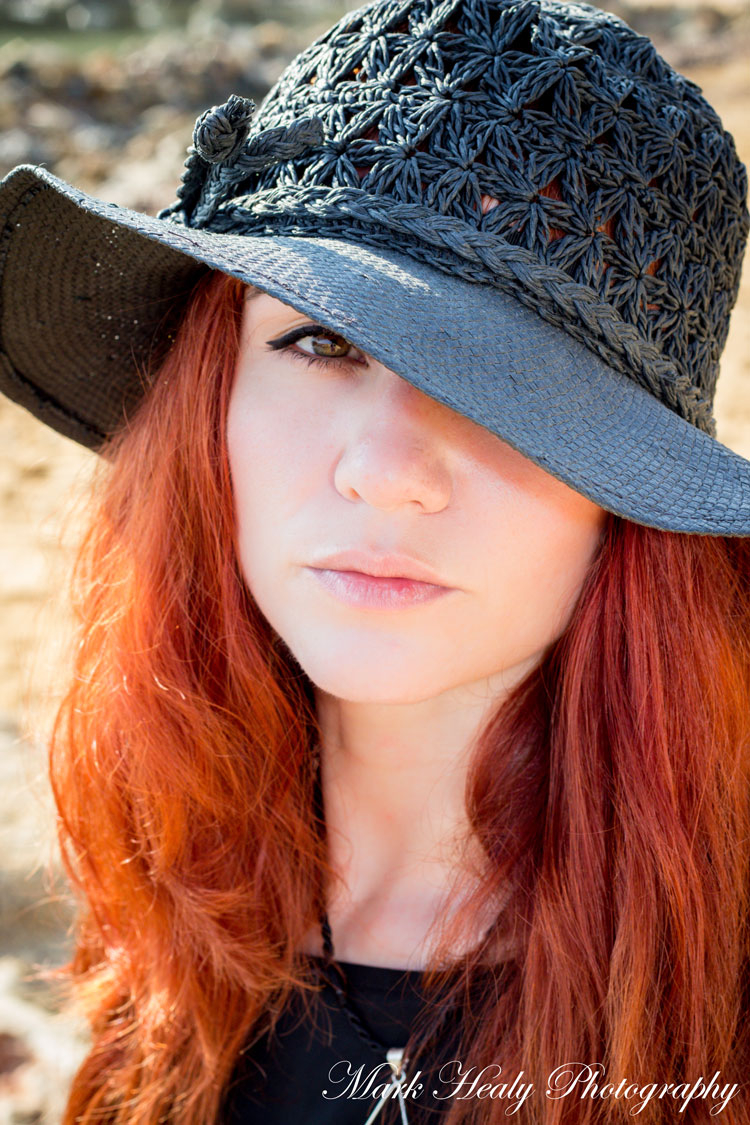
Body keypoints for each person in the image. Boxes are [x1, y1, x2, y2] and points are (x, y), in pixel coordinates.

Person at [1, 0, 749, 1122]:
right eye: (321, 340)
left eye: (514, 384)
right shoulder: (167, 904)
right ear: (210, 396)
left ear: (629, 492)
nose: (388, 471)